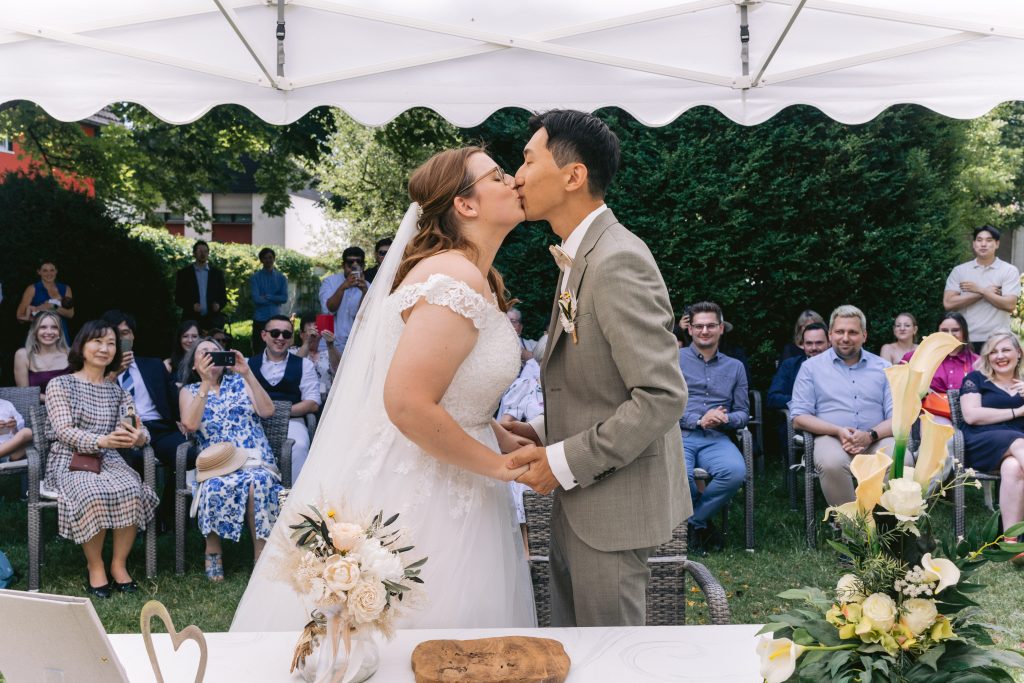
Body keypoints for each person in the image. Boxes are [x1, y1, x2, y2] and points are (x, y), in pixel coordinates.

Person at [232, 146, 537, 631]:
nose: (512, 181)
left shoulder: (471, 274)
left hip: (457, 465)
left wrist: (495, 429)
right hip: (425, 481)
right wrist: (501, 468)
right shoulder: (452, 276)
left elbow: (448, 386)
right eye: (497, 175)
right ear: (466, 204)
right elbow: (407, 404)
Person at [500, 110, 690, 628]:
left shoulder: (616, 261)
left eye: (527, 159)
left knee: (609, 661)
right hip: (581, 499)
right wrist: (538, 431)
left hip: (613, 506)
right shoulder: (578, 256)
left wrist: (561, 462)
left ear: (573, 175)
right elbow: (597, 383)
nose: (515, 175)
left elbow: (660, 395)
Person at [43, 320, 157, 598]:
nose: (104, 349)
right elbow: (64, 431)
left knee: (132, 490)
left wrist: (137, 437)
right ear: (82, 346)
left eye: (111, 343)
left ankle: (119, 565)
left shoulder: (117, 391)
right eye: (98, 341)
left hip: (109, 459)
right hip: (69, 458)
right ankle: (96, 567)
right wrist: (100, 441)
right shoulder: (60, 384)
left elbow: (137, 427)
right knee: (92, 492)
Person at [179, 338, 281, 581]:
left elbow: (268, 411)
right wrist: (205, 383)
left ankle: (261, 554)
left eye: (216, 352)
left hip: (255, 458)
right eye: (204, 353)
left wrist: (247, 373)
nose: (212, 356)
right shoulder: (189, 391)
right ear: (194, 364)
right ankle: (213, 550)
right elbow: (190, 425)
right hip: (216, 464)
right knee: (213, 487)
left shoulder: (241, 382)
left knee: (259, 484)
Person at [790, 305, 902, 507]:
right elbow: (799, 417)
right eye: (840, 331)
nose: (845, 337)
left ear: (864, 335)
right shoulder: (810, 368)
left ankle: (883, 526)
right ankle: (851, 528)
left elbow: (899, 417)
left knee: (902, 458)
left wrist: (870, 435)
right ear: (830, 334)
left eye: (853, 332)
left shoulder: (884, 368)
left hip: (877, 438)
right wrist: (838, 430)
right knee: (832, 463)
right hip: (831, 437)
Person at [101, 309, 189, 528]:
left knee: (188, 455)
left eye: (126, 332)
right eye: (116, 334)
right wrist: (113, 374)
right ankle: (137, 517)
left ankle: (164, 513)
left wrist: (182, 419)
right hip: (123, 429)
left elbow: (172, 397)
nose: (123, 338)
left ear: (133, 336)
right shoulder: (99, 371)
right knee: (133, 461)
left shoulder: (153, 365)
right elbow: (97, 404)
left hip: (159, 427)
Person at [678, 301, 749, 554]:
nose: (704, 331)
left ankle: (694, 523)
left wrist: (725, 419)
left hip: (716, 437)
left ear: (721, 328)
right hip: (679, 435)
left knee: (735, 472)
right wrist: (698, 420)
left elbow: (743, 412)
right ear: (690, 330)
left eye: (710, 326)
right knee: (680, 478)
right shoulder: (673, 360)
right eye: (699, 326)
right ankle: (702, 527)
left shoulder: (735, 367)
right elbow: (662, 405)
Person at [959, 331, 1024, 559]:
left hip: (1016, 448)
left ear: (1019, 352)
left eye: (1006, 349)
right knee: (1019, 444)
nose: (1000, 356)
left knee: (1014, 467)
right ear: (987, 356)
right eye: (994, 351)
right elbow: (971, 415)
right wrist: (1018, 410)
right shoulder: (975, 379)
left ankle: (1011, 542)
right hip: (982, 441)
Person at [247, 315, 321, 480]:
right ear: (264, 335)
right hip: (255, 421)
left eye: (286, 334)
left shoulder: (304, 365)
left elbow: (313, 403)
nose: (280, 338)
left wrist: (278, 412)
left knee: (299, 446)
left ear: (291, 339)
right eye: (275, 333)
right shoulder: (248, 364)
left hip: (292, 420)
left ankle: (295, 499)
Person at [944, 225, 1021, 352]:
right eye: (979, 240)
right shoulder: (960, 271)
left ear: (997, 244)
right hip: (966, 338)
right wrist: (982, 293)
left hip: (998, 339)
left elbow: (1009, 305)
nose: (983, 244)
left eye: (989, 240)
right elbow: (948, 303)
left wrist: (981, 290)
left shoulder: (1008, 270)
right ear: (974, 244)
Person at [900, 312, 978, 424]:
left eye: (955, 330)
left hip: (969, 416)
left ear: (964, 332)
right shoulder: (920, 356)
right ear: (937, 333)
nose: (950, 334)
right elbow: (901, 379)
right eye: (945, 331)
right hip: (932, 414)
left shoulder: (977, 362)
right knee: (947, 438)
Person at [767, 322, 830, 411]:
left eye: (819, 343)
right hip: (799, 420)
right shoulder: (790, 366)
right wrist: (805, 401)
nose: (814, 348)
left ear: (829, 343)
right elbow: (773, 398)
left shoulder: (839, 366)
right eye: (809, 343)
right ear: (803, 345)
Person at [318, 246, 368, 355]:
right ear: (343, 265)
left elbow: (364, 317)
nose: (354, 267)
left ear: (363, 266)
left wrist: (365, 292)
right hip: (329, 344)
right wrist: (343, 287)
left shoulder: (369, 287)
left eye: (358, 262)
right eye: (350, 263)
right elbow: (328, 310)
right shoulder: (329, 282)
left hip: (355, 345)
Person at [14, 311, 71, 402]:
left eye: (54, 327)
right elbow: (24, 393)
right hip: (35, 412)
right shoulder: (23, 355)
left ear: (60, 332)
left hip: (69, 410)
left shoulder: (70, 354)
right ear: (35, 331)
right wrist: (53, 400)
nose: (49, 332)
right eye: (43, 327)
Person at [16, 259, 75, 344]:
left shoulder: (66, 289)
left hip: (61, 335)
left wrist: (52, 307)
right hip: (38, 336)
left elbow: (70, 314)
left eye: (52, 270)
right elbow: (19, 316)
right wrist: (37, 319)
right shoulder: (32, 289)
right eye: (45, 270)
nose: (49, 274)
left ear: (56, 271)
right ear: (39, 272)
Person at [174, 240, 227, 332]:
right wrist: (191, 306)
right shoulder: (184, 274)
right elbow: (178, 298)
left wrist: (218, 305)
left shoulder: (217, 274)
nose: (203, 254)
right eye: (200, 251)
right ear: (194, 254)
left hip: (213, 321)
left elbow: (223, 297)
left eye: (205, 251)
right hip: (191, 319)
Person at [249, 247, 289, 356]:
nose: (268, 260)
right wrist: (276, 298)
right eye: (265, 258)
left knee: (277, 350)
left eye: (270, 257)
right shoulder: (255, 278)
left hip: (276, 318)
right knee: (259, 350)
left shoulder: (281, 278)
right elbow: (256, 299)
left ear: (274, 259)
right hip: (260, 319)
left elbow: (284, 298)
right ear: (261, 260)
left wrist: (268, 297)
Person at [292, 314, 340, 399]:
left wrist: (330, 345)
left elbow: (339, 369)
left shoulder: (327, 353)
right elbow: (294, 367)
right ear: (301, 334)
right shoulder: (293, 351)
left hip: (326, 401)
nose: (313, 333)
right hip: (300, 400)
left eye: (316, 329)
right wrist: (307, 342)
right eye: (309, 330)